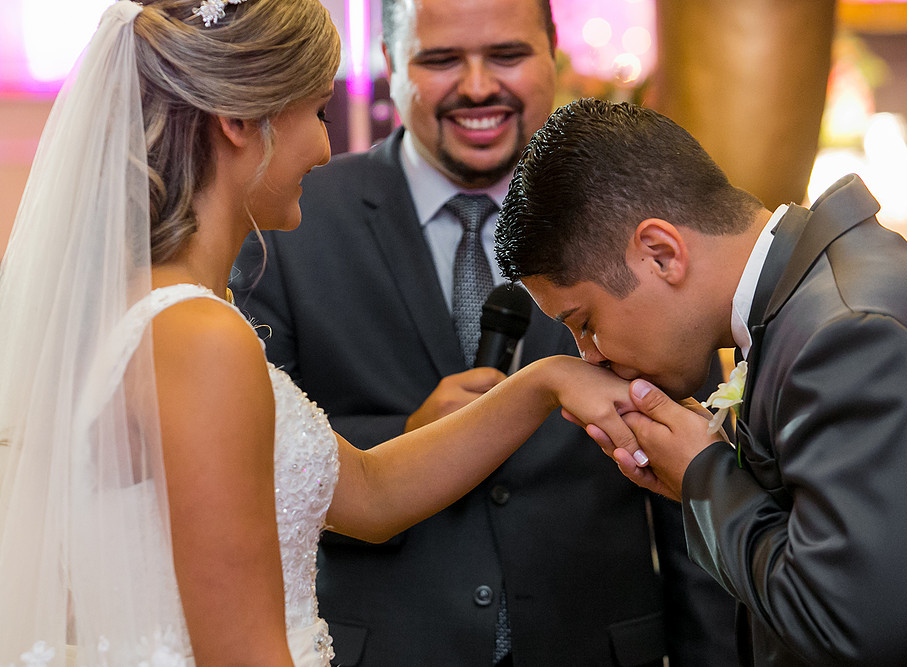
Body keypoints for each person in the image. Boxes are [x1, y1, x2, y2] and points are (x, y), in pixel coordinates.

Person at [0, 5, 641, 666]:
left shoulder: (159, 308)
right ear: (239, 121)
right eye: (317, 113)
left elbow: (370, 492)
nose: (326, 148)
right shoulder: (198, 334)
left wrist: (545, 381)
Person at [232, 0, 739, 665]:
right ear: (391, 65)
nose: (477, 87)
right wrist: (410, 432)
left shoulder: (639, 213)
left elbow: (694, 473)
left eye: (506, 55)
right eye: (442, 59)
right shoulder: (290, 214)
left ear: (552, 51)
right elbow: (246, 457)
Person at [495, 97, 907, 666]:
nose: (590, 356)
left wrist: (704, 476)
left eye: (585, 323)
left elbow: (850, 633)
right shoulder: (808, 305)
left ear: (660, 254)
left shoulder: (852, 334)